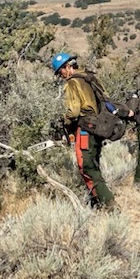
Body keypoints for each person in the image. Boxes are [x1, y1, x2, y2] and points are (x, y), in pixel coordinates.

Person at [52, 52, 115, 208]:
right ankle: (95, 200)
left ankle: (108, 204)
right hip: (100, 126)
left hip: (86, 127)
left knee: (86, 165)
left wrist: (65, 122)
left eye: (61, 72)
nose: (61, 76)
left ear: (67, 67)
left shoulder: (72, 83)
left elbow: (73, 111)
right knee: (93, 163)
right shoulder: (89, 77)